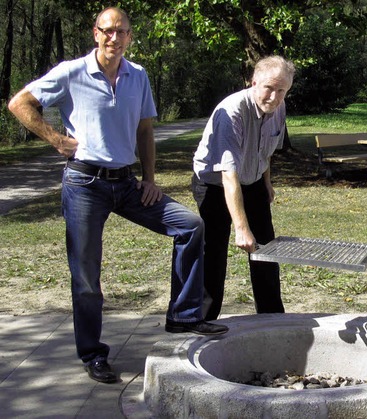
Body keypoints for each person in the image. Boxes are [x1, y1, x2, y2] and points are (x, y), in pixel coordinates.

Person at [8, 6, 228, 385]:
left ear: (129, 36)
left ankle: (184, 316)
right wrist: (57, 140)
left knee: (190, 225)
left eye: (121, 31)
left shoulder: (137, 75)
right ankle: (92, 354)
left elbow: (145, 130)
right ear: (95, 33)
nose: (114, 37)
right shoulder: (71, 72)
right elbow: (19, 103)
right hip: (84, 185)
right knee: (87, 275)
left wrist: (149, 178)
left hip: (127, 184)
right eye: (107, 30)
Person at [192, 56, 295, 320]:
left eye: (281, 90)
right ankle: (204, 320)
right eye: (269, 88)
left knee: (266, 251)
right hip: (215, 183)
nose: (274, 97)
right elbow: (228, 174)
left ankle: (272, 318)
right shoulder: (233, 111)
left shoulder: (279, 108)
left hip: (253, 180)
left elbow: (266, 150)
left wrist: (266, 182)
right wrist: (241, 227)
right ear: (254, 82)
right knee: (213, 253)